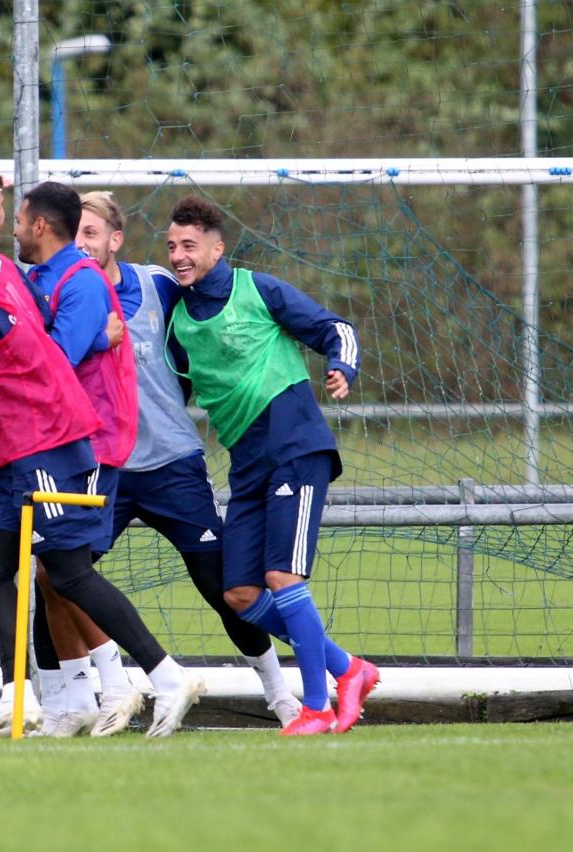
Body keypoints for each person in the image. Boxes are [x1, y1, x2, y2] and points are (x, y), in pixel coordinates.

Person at [0, 195, 205, 740]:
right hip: (17, 450)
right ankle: (19, 698)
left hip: (50, 444)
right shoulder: (7, 272)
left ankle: (165, 676)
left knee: (69, 571)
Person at [53, 190, 300, 735]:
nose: (80, 245)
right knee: (63, 573)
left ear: (114, 240)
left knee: (222, 588)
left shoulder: (157, 286)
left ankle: (281, 695)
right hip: (103, 469)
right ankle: (106, 692)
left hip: (173, 465)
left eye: (90, 233)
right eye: (72, 235)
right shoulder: (58, 294)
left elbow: (215, 318)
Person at [162, 195, 377, 736]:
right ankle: (348, 669)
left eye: (189, 245)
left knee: (283, 576)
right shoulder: (178, 323)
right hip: (248, 467)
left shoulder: (258, 289)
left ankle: (316, 708)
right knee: (240, 595)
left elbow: (335, 328)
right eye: (171, 246)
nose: (178, 256)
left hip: (295, 450)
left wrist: (341, 366)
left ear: (217, 247)